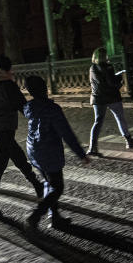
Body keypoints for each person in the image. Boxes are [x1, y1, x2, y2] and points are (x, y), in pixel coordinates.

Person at [0, 54, 46, 218]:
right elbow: (24, 107)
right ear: (8, 68)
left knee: (18, 157)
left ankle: (38, 186)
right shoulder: (7, 84)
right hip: (5, 128)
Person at [23, 76, 89, 230]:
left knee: (49, 184)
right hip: (49, 151)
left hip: (34, 150)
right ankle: (35, 215)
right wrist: (81, 154)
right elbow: (66, 133)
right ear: (44, 89)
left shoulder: (30, 107)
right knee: (57, 187)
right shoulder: (52, 109)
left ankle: (55, 218)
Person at [87, 47, 133, 156]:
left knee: (98, 122)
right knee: (120, 118)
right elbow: (111, 82)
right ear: (104, 56)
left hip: (98, 98)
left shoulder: (92, 68)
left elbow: (100, 82)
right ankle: (128, 140)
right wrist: (120, 80)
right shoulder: (108, 67)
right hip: (112, 97)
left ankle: (92, 147)